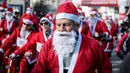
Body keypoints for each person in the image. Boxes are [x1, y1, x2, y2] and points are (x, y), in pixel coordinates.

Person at [31, 2, 112, 73]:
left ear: (76, 25)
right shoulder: (49, 45)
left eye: (67, 24)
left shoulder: (92, 45)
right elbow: (39, 69)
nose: (61, 28)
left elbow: (106, 68)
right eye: (58, 25)